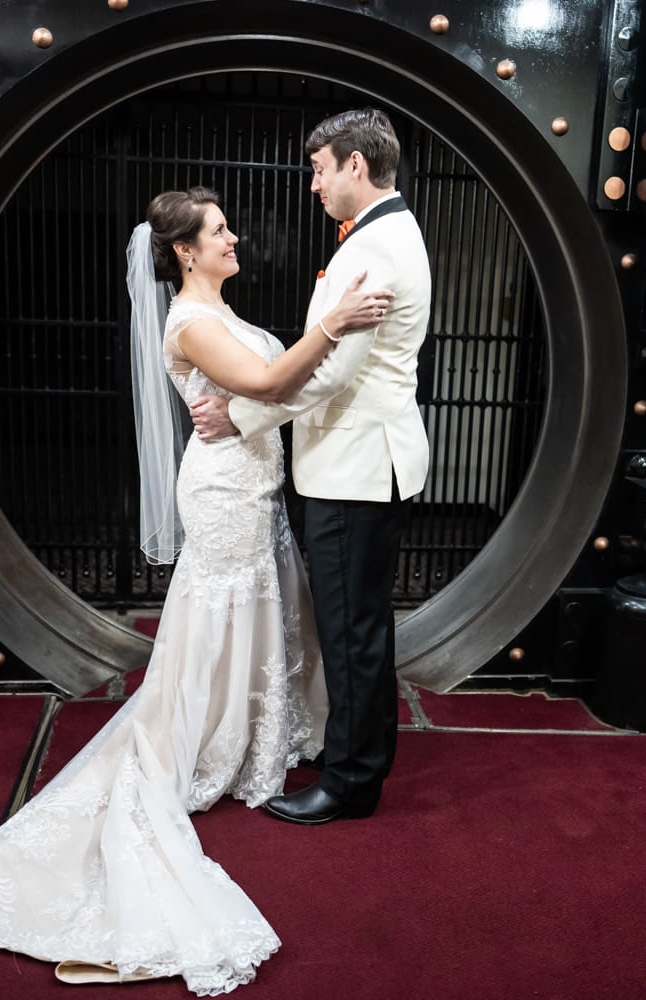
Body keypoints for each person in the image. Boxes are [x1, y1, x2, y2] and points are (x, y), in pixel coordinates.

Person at [0, 185, 393, 994]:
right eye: (220, 231)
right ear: (184, 250)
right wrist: (333, 324)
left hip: (255, 484)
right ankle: (203, 739)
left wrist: (308, 362)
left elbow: (268, 389)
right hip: (222, 491)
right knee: (221, 614)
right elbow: (261, 384)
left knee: (264, 607)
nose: (235, 239)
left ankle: (254, 730)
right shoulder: (189, 322)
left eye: (228, 228)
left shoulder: (216, 309)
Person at [189, 109, 432, 825]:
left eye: (320, 168)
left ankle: (352, 783)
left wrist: (242, 414)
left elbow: (327, 376)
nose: (313, 184)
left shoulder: (373, 250)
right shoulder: (386, 233)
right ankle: (360, 752)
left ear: (357, 165)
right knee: (360, 624)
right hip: (366, 462)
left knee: (350, 626)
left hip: (355, 470)